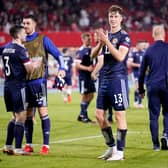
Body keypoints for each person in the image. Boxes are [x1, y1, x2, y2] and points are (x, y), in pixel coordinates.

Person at [91, 5, 130, 160]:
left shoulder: (124, 37)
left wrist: (107, 41)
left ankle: (120, 152)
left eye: (115, 16)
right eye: (110, 16)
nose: (112, 19)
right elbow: (93, 55)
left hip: (117, 79)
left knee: (120, 115)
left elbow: (120, 57)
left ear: (121, 18)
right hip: (104, 79)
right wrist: (101, 42)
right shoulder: (106, 35)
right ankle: (111, 147)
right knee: (99, 116)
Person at [22, 14, 65, 155]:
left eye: (27, 23)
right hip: (24, 83)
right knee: (28, 114)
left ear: (34, 24)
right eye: (23, 23)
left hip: (38, 82)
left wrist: (62, 68)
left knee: (42, 112)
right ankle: (28, 145)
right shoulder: (20, 41)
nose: (25, 26)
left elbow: (58, 54)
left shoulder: (43, 39)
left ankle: (46, 145)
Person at [2, 25, 40, 155]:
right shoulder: (20, 50)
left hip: (7, 86)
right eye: (24, 33)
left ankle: (8, 146)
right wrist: (36, 64)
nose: (26, 35)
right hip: (18, 86)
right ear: (18, 35)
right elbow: (29, 69)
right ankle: (18, 148)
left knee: (14, 117)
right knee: (21, 117)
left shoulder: (6, 48)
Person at [138, 24, 168, 151]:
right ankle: (166, 135)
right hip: (166, 85)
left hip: (152, 85)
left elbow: (141, 72)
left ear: (152, 35)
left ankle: (155, 145)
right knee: (167, 113)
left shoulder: (148, 51)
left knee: (153, 115)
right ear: (164, 34)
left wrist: (141, 90)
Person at [75, 32, 96, 123]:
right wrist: (87, 68)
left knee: (91, 95)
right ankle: (84, 116)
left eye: (90, 39)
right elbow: (77, 65)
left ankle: (82, 114)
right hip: (83, 76)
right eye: (88, 39)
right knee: (84, 95)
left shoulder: (92, 50)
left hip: (90, 76)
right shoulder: (80, 51)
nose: (90, 40)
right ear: (83, 39)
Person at [130, 41, 145, 108]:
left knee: (141, 88)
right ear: (137, 46)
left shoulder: (144, 53)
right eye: (141, 45)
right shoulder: (134, 53)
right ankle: (137, 102)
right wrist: (138, 65)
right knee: (137, 87)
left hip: (143, 73)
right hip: (135, 73)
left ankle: (139, 102)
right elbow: (130, 63)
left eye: (143, 46)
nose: (142, 47)